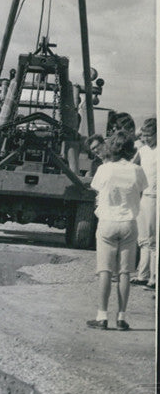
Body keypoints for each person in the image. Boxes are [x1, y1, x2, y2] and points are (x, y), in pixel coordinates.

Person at [87, 130, 148, 330]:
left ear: (112, 147)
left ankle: (102, 316)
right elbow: (141, 190)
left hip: (107, 221)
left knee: (105, 270)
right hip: (129, 222)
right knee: (125, 272)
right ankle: (121, 317)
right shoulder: (137, 170)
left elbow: (96, 189)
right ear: (131, 149)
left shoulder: (105, 169)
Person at [132, 117, 156, 290]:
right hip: (144, 196)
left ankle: (154, 278)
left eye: (150, 135)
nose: (146, 138)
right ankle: (143, 275)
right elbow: (132, 166)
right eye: (144, 135)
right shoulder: (143, 150)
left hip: (156, 197)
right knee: (143, 239)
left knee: (154, 239)